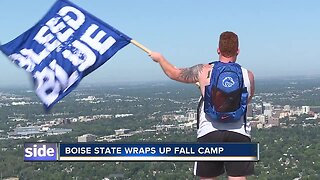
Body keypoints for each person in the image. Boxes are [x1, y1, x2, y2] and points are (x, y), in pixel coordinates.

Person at [149, 31, 255, 180]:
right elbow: (246, 100)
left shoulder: (203, 71)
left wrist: (159, 59)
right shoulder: (248, 75)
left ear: (218, 49)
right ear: (238, 51)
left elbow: (174, 73)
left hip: (209, 132)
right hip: (239, 133)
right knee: (238, 177)